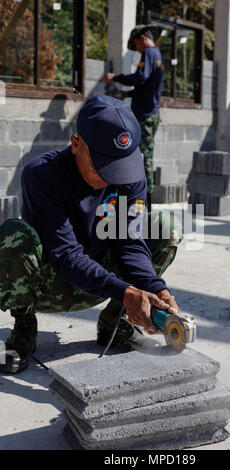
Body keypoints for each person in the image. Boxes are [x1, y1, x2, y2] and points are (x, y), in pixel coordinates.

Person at [0, 95, 182, 374]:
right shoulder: (42, 175)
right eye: (103, 167)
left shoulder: (130, 176)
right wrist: (124, 291)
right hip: (51, 285)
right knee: (15, 235)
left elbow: (129, 241)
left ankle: (116, 322)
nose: (113, 178)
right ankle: (24, 327)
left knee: (166, 226)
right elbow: (65, 254)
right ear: (76, 145)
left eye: (121, 167)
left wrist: (154, 288)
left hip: (104, 278)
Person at [103, 25, 164, 211]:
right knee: (142, 154)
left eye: (136, 43)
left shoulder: (149, 54)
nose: (137, 48)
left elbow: (140, 78)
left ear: (142, 38)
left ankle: (147, 200)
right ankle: (143, 198)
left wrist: (116, 77)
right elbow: (148, 86)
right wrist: (129, 96)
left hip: (145, 116)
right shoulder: (157, 55)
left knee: (143, 156)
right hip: (150, 113)